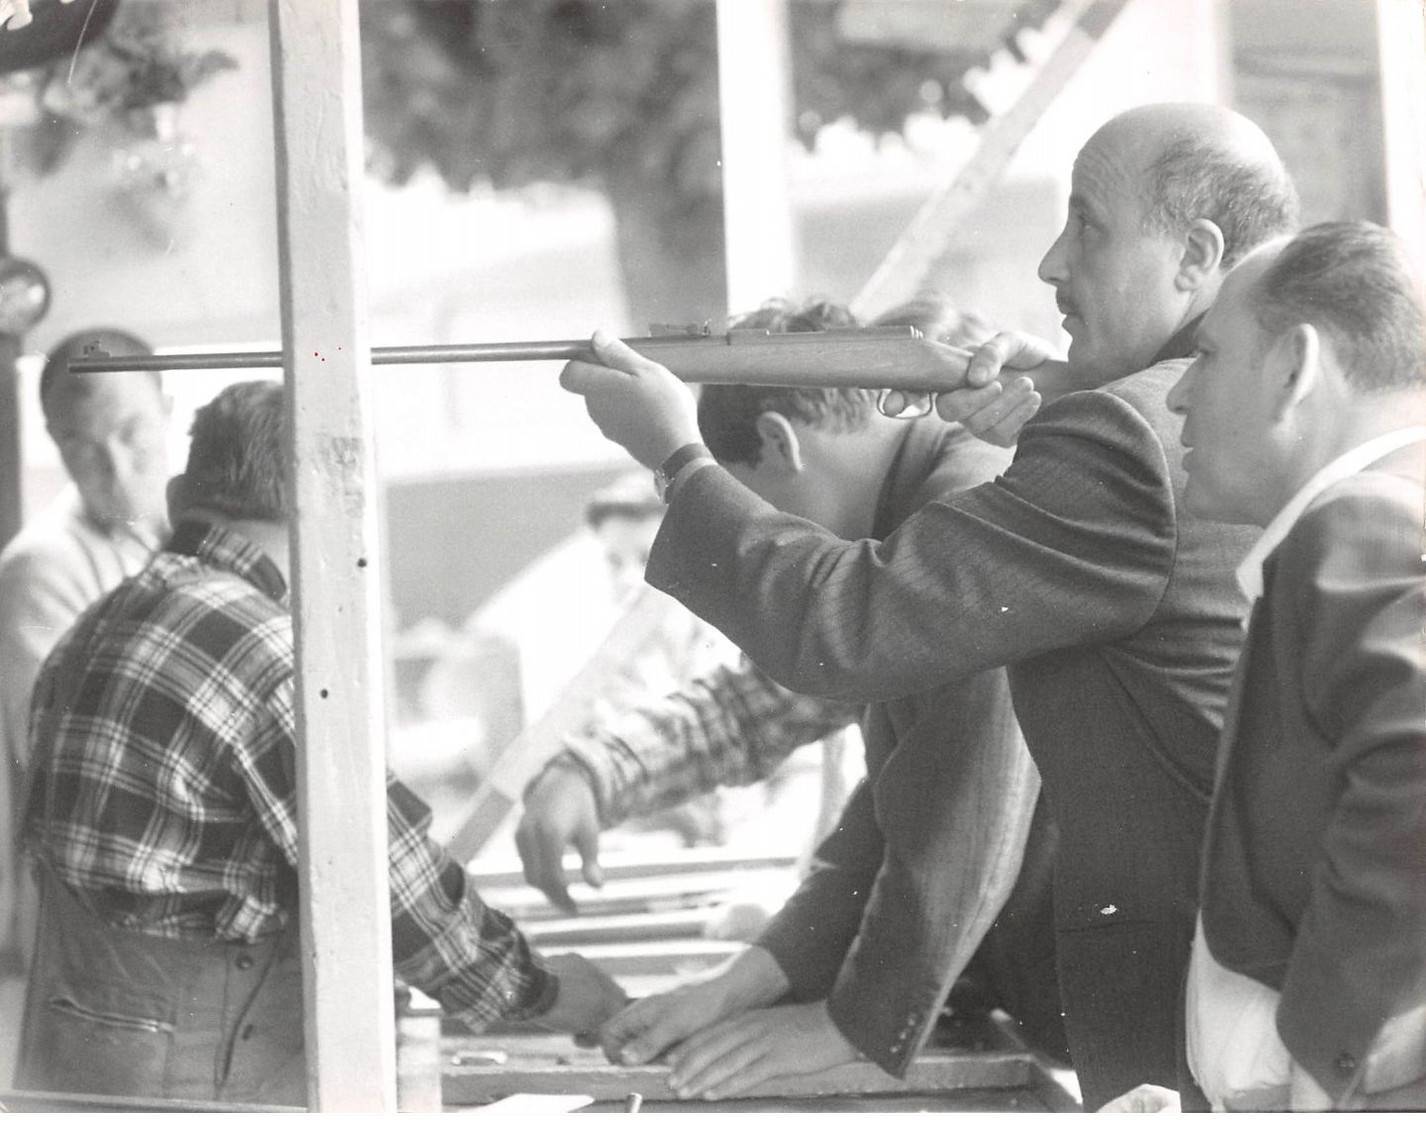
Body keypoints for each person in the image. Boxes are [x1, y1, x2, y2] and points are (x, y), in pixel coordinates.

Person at [558, 102, 1300, 1109]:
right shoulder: (1123, 420)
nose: (1048, 266)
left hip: (1224, 1012)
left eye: (1086, 225)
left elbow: (849, 636)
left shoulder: (1119, 437)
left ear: (1195, 256)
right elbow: (905, 782)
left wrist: (675, 456)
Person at [14, 380, 627, 1106]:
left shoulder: (103, 621)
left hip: (71, 1072)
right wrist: (548, 992)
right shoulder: (264, 654)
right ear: (333, 510)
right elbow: (393, 890)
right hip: (191, 1085)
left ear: (181, 496)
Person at [519, 295, 1066, 1098]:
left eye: (757, 504)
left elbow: (967, 805)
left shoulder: (961, 509)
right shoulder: (917, 516)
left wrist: (849, 1026)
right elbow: (894, 809)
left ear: (778, 442)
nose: (778, 540)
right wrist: (742, 985)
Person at [1163, 221, 1424, 1111]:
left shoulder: (1357, 523)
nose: (1178, 397)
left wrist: (1323, 1070)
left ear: (1293, 370)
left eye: (1205, 353)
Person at [0, 329, 170, 976]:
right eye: (86, 448)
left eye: (131, 432)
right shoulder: (41, 569)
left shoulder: (197, 531)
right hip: (99, 935)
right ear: (57, 445)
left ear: (168, 408)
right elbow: (64, 762)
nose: (118, 470)